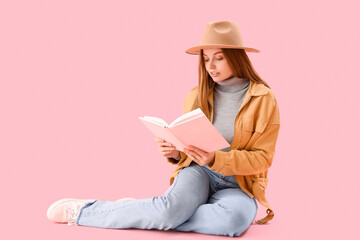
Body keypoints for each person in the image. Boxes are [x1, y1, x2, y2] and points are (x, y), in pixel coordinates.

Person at [46, 20, 280, 237]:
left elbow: (263, 158)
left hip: (240, 184)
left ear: (236, 57)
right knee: (171, 210)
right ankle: (85, 211)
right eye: (206, 59)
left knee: (234, 221)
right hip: (199, 172)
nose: (211, 66)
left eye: (218, 58)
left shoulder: (263, 98)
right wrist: (177, 152)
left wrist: (216, 159)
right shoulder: (196, 96)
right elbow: (190, 145)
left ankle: (149, 211)